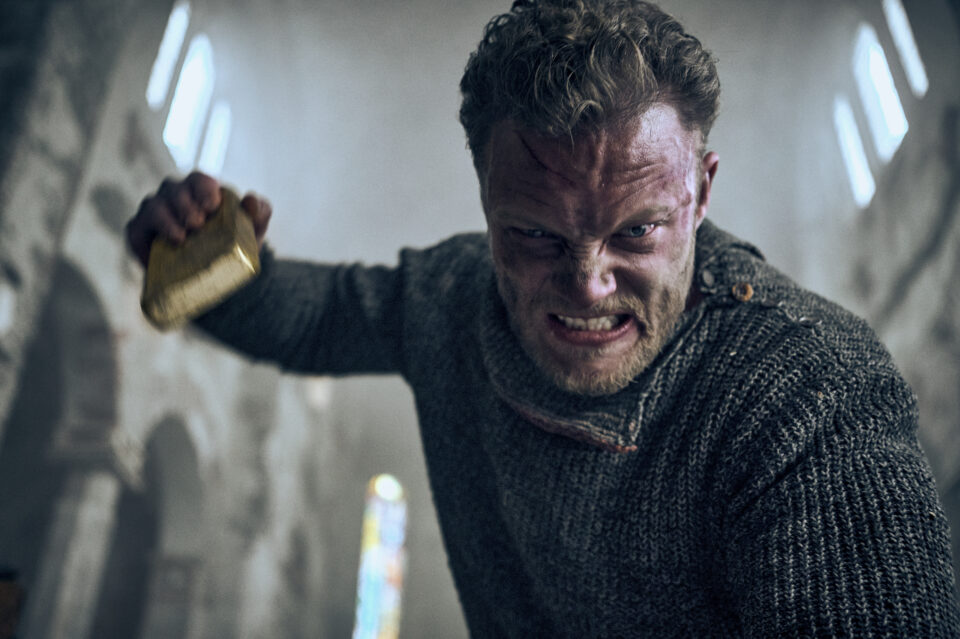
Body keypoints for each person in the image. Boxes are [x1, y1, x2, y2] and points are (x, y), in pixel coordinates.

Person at [126, 0, 960, 635]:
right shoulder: (451, 295)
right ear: (486, 200)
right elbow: (304, 317)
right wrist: (187, 250)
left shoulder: (813, 394)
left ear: (701, 192)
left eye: (637, 232)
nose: (588, 284)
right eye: (535, 235)